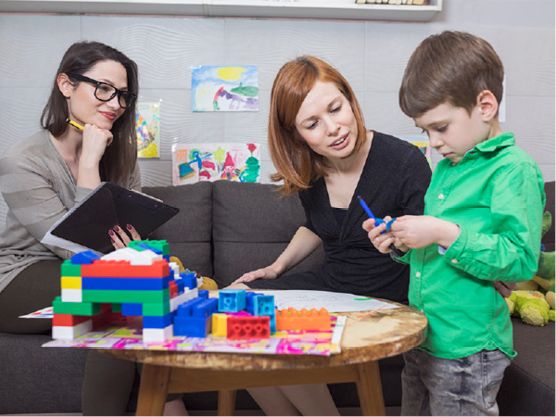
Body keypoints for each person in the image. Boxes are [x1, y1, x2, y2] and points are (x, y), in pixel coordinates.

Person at [230, 56, 432, 415]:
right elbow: (318, 226)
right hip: (335, 284)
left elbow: (430, 240)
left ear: (350, 99)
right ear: (297, 135)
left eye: (336, 109)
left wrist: (398, 237)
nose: (334, 129)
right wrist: (277, 268)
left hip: (387, 291)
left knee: (278, 333)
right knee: (233, 307)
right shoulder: (312, 169)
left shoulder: (404, 161)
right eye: (312, 124)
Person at [364, 31, 545, 416]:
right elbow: (438, 253)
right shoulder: (448, 168)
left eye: (440, 128)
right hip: (426, 335)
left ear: (485, 105)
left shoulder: (514, 170)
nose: (432, 142)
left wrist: (444, 232)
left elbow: (520, 259)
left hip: (468, 346)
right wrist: (400, 242)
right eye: (424, 131)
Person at [0, 41, 184, 416]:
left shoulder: (124, 152)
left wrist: (136, 250)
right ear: (66, 85)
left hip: (95, 269)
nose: (115, 104)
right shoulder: (21, 161)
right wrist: (89, 165)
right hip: (19, 275)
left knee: (158, 287)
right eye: (103, 89)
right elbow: (75, 248)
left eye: (123, 95)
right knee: (116, 297)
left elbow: (127, 237)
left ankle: (167, 404)